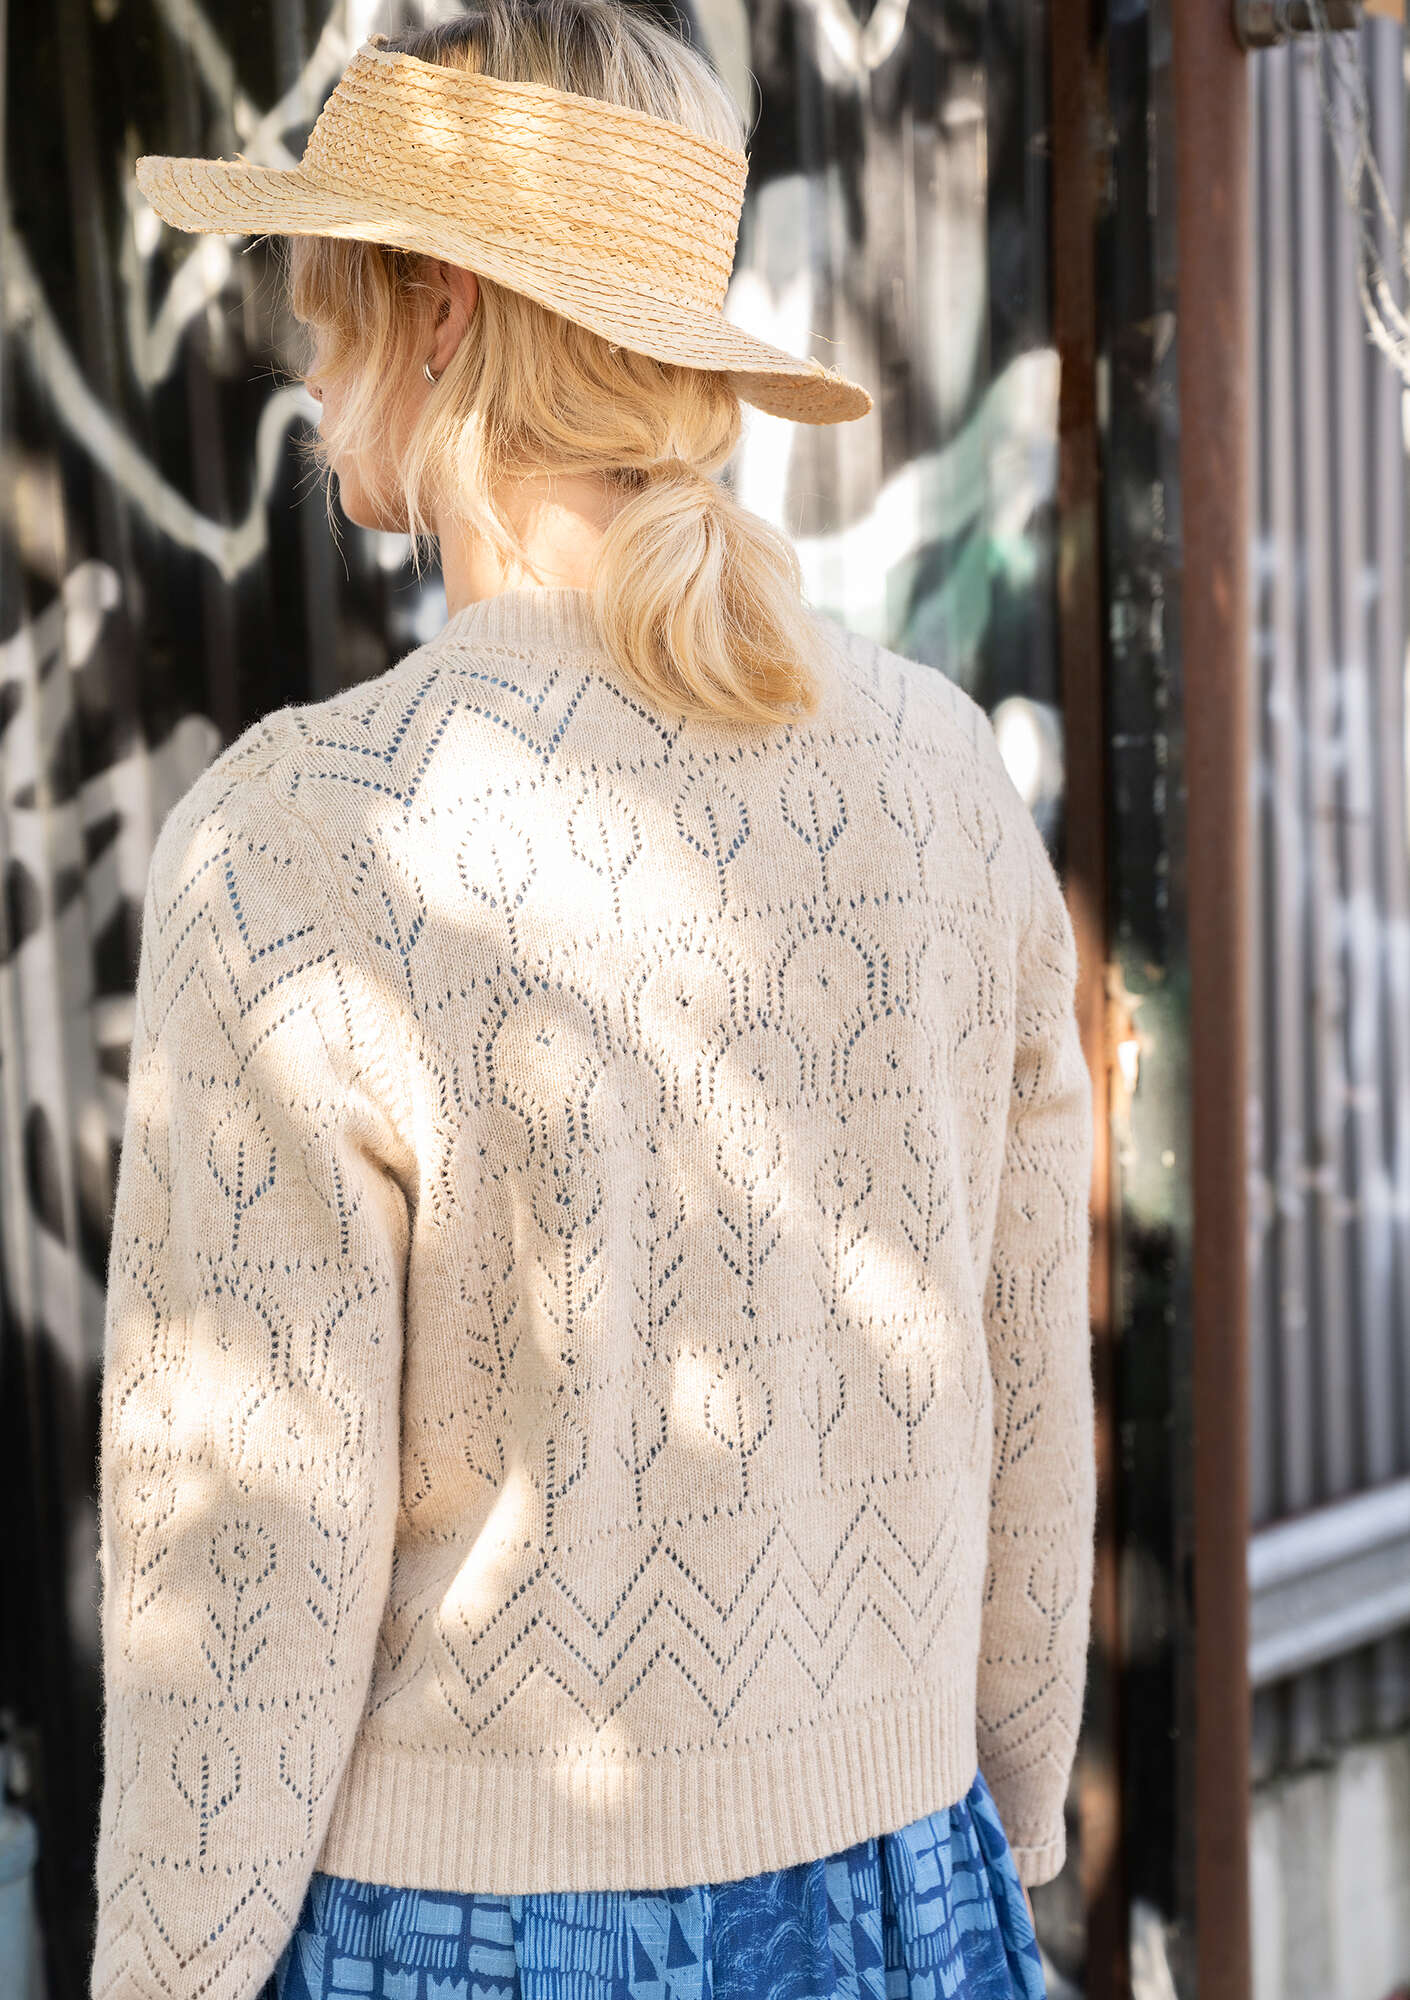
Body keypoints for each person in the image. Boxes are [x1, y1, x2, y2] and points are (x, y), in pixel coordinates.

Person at [93, 5, 1095, 1997]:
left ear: (443, 312)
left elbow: (246, 1550)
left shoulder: (306, 842)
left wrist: (161, 1974)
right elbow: (1020, 1363)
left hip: (464, 1933)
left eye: (336, 292)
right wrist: (1007, 1795)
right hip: (902, 1886)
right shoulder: (942, 778)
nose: (306, 357)